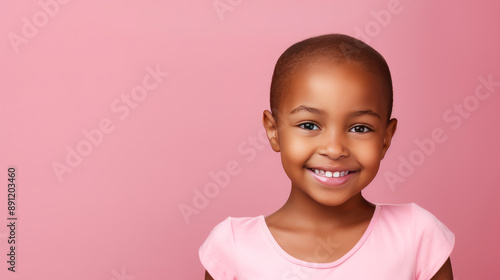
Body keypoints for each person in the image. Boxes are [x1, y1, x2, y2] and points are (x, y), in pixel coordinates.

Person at [199, 34, 455, 279]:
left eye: (360, 128)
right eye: (309, 125)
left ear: (386, 138)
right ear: (273, 131)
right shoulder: (233, 247)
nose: (334, 149)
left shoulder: (416, 236)